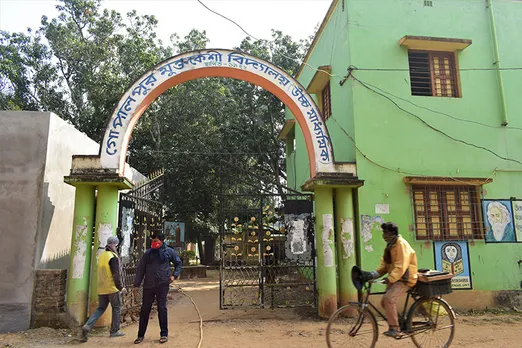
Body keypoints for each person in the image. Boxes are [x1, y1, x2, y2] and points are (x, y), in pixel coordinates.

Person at [363, 222, 418, 338]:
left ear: (392, 233)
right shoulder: (390, 246)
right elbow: (384, 266)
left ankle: (395, 328)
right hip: (396, 278)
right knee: (384, 302)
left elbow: (401, 266)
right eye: (383, 232)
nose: (384, 235)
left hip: (405, 279)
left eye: (386, 232)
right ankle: (400, 323)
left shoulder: (401, 244)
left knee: (388, 298)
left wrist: (390, 279)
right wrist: (372, 275)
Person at [133, 232, 182, 344]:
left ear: (162, 241)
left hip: (162, 284)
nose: (154, 243)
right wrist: (136, 284)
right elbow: (141, 269)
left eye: (156, 241)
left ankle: (164, 334)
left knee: (162, 308)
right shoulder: (148, 253)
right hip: (148, 285)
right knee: (145, 309)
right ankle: (140, 335)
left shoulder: (169, 252)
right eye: (152, 240)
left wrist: (174, 275)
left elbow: (178, 263)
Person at [81, 236, 126, 341]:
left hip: (101, 288)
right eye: (116, 244)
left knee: (100, 308)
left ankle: (88, 325)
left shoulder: (102, 256)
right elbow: (116, 274)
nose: (117, 246)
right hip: (112, 288)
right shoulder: (113, 257)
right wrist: (121, 287)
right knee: (117, 307)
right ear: (115, 244)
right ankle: (115, 331)